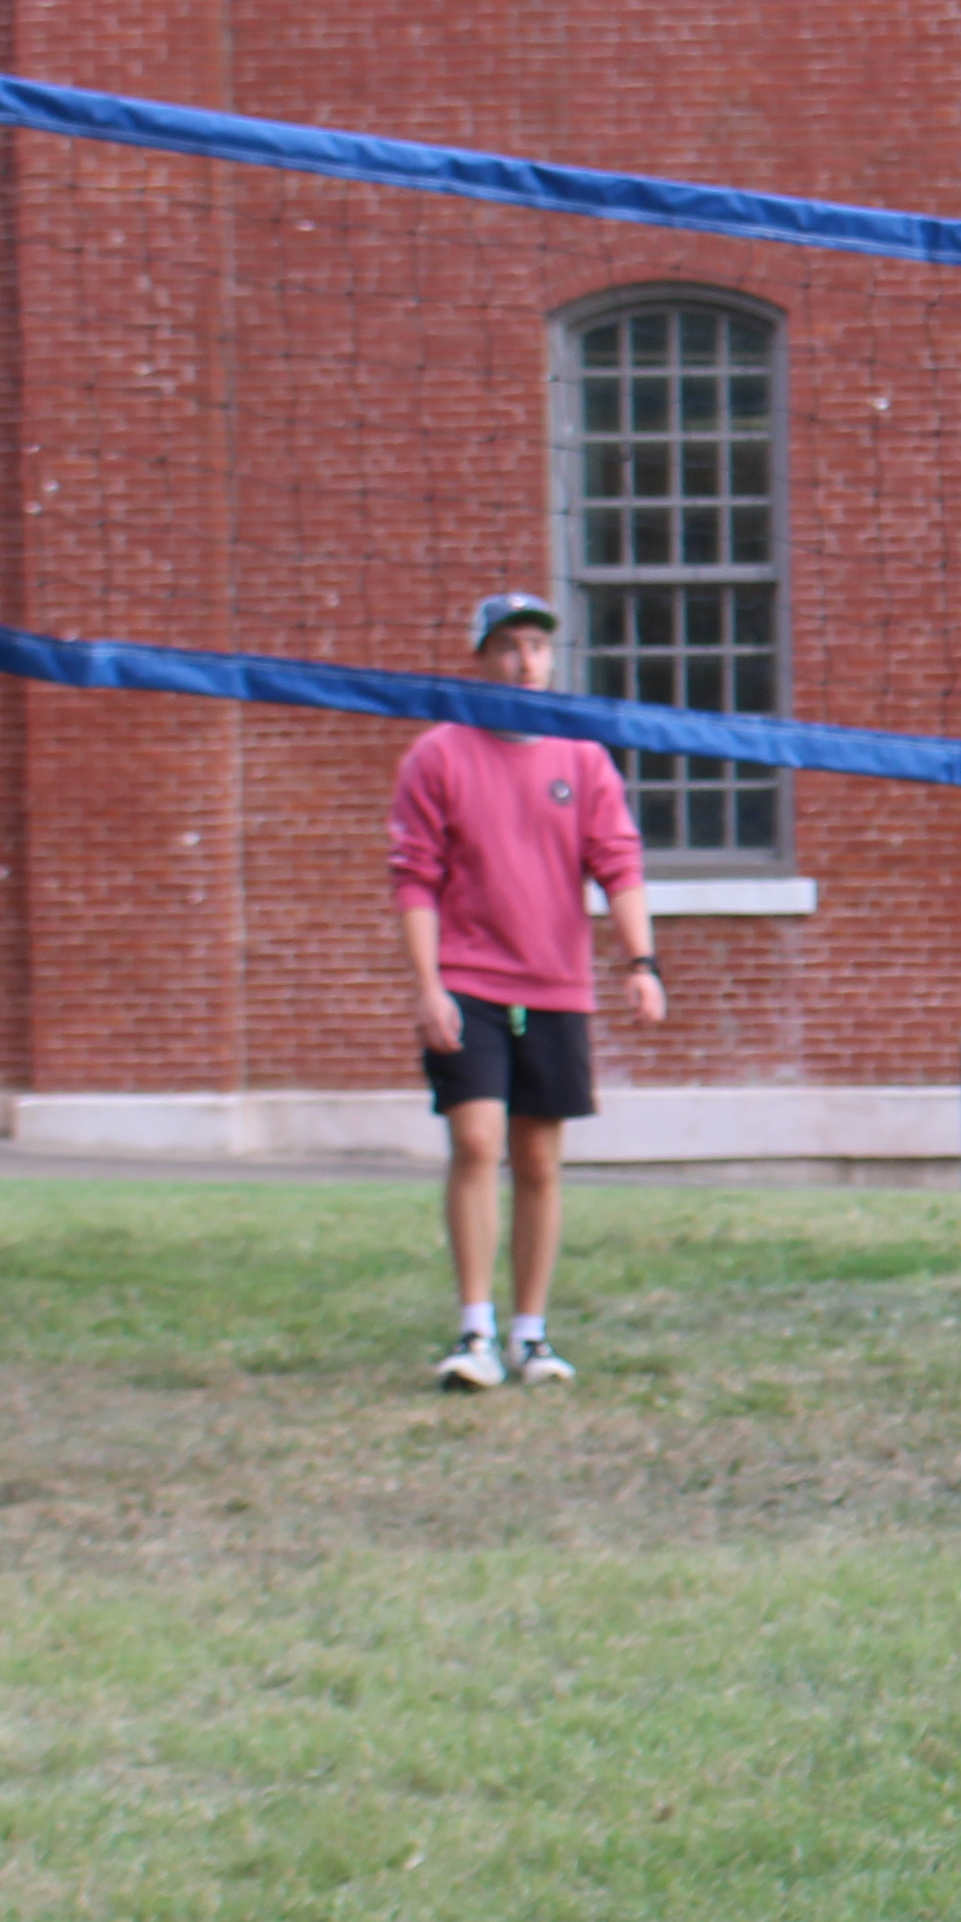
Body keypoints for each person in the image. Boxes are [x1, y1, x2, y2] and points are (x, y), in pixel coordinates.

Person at [387, 589, 657, 1393]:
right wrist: (428, 986)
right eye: (508, 645)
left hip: (556, 987)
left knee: (538, 1160)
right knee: (475, 1144)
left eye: (537, 645)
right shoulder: (437, 755)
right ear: (481, 658)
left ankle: (531, 1339)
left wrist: (642, 963)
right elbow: (414, 881)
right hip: (468, 984)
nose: (525, 661)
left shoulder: (582, 757)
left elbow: (620, 865)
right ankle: (476, 1332)